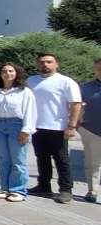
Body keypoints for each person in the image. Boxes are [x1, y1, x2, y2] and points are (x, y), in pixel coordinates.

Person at [27, 53, 82, 204]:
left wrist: (71, 126)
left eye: (49, 62)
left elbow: (75, 104)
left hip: (58, 128)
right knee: (41, 158)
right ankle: (44, 186)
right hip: (36, 127)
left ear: (56, 64)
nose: (45, 65)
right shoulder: (31, 81)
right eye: (42, 62)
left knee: (61, 160)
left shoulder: (66, 82)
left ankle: (65, 190)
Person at [0, 63, 37, 202]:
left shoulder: (24, 91)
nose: (8, 74)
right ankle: (3, 188)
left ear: (16, 73)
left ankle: (18, 190)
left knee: (18, 160)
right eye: (4, 71)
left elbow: (30, 112)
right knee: (3, 159)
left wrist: (26, 130)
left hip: (17, 126)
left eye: (11, 71)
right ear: (0, 74)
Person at [77, 59, 101, 204]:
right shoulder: (85, 87)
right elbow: (75, 105)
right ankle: (92, 190)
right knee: (93, 162)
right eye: (97, 69)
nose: (100, 71)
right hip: (92, 130)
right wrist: (78, 126)